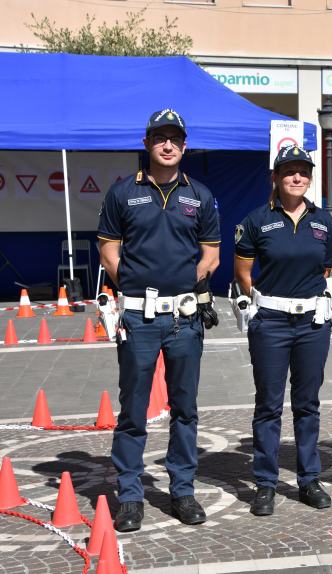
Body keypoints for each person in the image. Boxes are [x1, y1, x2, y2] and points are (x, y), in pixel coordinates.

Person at [98, 109, 221, 532]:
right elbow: (109, 247)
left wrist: (195, 281)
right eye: (160, 137)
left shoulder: (200, 195)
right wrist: (128, 283)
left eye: (175, 138)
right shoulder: (121, 193)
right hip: (139, 316)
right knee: (133, 409)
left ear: (184, 146)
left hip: (185, 319)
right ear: (147, 142)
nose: (167, 145)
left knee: (185, 409)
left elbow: (211, 252)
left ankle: (182, 491)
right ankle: (130, 495)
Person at [233, 145, 332, 516]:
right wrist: (263, 307)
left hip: (312, 323)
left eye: (303, 172)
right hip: (271, 324)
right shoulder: (257, 220)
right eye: (289, 172)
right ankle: (265, 483)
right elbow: (244, 273)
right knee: (269, 405)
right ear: (275, 177)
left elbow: (324, 270)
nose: (297, 178)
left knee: (307, 404)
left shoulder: (324, 222)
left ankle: (309, 479)